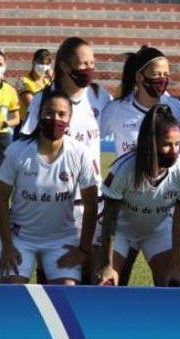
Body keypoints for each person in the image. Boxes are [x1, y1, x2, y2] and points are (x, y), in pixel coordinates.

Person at [95, 105, 180, 287]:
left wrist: (176, 261)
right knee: (105, 284)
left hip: (158, 230)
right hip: (120, 231)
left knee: (175, 284)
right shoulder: (123, 169)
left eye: (177, 144)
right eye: (167, 144)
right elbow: (110, 219)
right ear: (150, 143)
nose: (174, 151)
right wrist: (106, 264)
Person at [0, 93, 99, 284]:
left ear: (70, 119)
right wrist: (7, 245)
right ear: (39, 115)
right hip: (20, 238)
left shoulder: (80, 153)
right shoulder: (17, 150)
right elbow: (1, 198)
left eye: (62, 114)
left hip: (61, 239)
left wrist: (84, 249)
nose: (55, 119)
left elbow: (91, 204)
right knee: (12, 292)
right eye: (49, 113)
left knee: (67, 292)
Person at [22, 37, 107, 168]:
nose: (89, 69)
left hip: (91, 186)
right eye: (84, 64)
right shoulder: (42, 99)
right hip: (54, 184)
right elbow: (24, 145)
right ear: (64, 66)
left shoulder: (100, 95)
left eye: (92, 63)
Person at [99, 46, 180, 159]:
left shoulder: (177, 108)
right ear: (139, 77)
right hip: (129, 177)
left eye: (166, 74)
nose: (162, 80)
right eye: (156, 74)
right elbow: (92, 137)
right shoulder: (117, 109)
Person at [16, 49, 53, 136]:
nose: (44, 67)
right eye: (41, 63)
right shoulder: (21, 81)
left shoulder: (48, 82)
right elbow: (31, 104)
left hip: (42, 124)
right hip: (25, 124)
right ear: (34, 62)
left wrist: (53, 80)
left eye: (47, 64)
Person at [0, 50, 19, 162]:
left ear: (5, 66)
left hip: (4, 136)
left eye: (0, 64)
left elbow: (16, 119)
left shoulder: (10, 90)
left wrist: (6, 123)